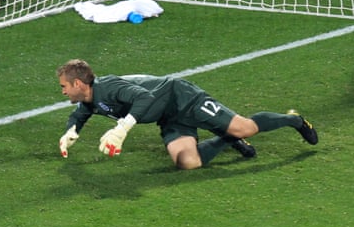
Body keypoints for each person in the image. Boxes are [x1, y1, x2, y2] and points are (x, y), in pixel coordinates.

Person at [57, 59, 318, 170]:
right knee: (187, 163)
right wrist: (71, 131)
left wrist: (122, 128)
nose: (63, 92)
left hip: (183, 98)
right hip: (168, 117)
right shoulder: (90, 99)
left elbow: (145, 97)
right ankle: (228, 139)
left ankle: (294, 119)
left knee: (245, 127)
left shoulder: (109, 87)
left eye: (64, 87)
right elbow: (81, 113)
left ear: (78, 84)